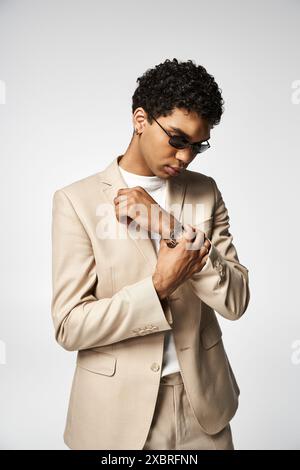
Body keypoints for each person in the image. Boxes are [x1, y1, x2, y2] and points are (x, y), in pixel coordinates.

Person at [51, 58, 250, 450]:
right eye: (177, 139)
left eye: (198, 145)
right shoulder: (76, 202)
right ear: (140, 119)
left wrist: (170, 227)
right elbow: (69, 326)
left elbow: (236, 300)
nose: (186, 156)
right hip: (114, 417)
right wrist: (157, 287)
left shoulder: (205, 191)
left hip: (203, 409)